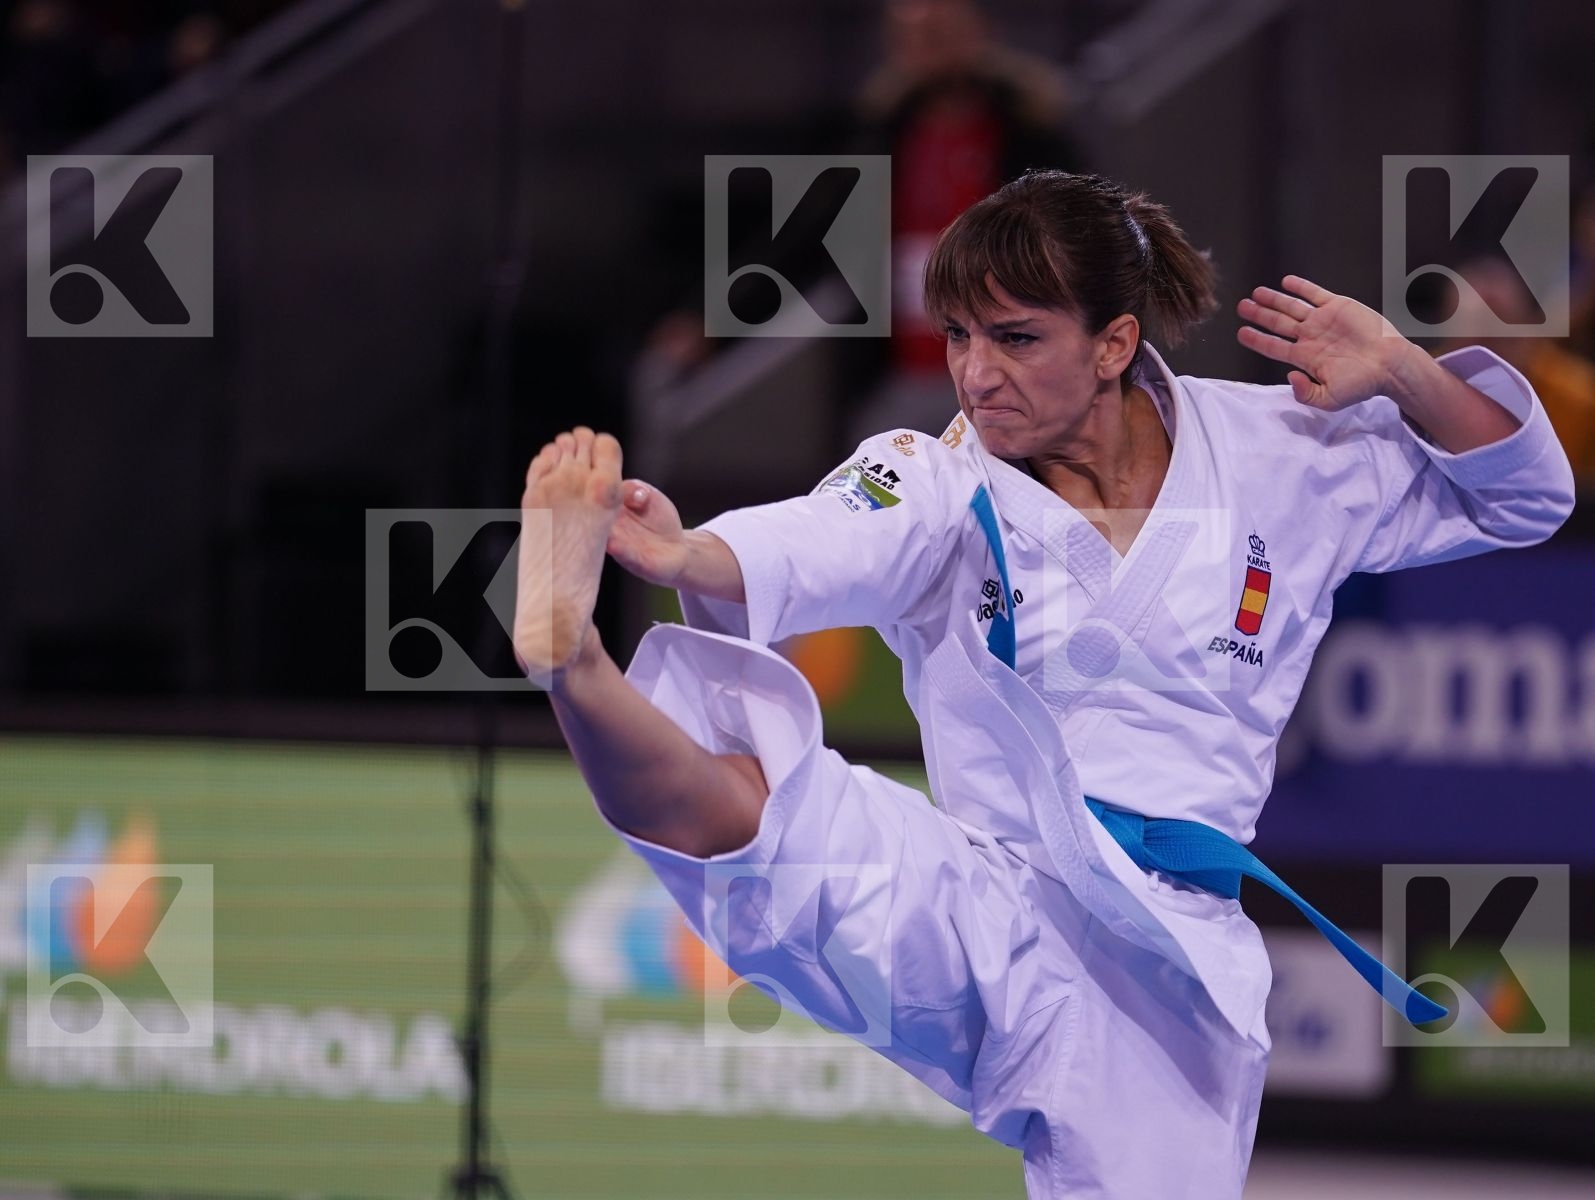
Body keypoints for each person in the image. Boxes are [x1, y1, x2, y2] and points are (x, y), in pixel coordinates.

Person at [513, 172, 1575, 1198]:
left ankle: (578, 671)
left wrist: (1400, 370)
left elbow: (1527, 497)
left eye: (1015, 339)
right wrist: (685, 552)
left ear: (1114, 342)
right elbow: (820, 537)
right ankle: (574, 666)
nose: (975, 375)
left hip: (1168, 969)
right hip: (982, 896)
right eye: (961, 337)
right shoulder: (934, 477)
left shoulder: (1282, 450)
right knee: (759, 809)